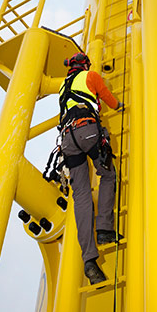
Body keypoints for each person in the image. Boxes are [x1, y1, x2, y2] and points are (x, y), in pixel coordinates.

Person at [58, 51, 123, 285]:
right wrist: (120, 106)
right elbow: (107, 97)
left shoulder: (62, 88)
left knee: (82, 195)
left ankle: (89, 259)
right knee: (107, 175)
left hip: (67, 140)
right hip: (88, 130)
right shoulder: (91, 76)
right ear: (85, 65)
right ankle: (105, 228)